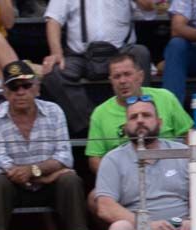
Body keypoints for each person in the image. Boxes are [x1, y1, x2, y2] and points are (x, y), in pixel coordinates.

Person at [0, 60, 86, 230]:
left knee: (70, 181)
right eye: (14, 87)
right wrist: (38, 176)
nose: (21, 92)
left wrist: (33, 171)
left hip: (50, 184)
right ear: (5, 93)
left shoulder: (54, 111)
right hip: (14, 186)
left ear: (37, 88)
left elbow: (65, 156)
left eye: (26, 85)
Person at [94, 96, 196, 230]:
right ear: (125, 127)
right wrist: (146, 225)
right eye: (133, 117)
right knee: (119, 228)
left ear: (159, 122)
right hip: (137, 228)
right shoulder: (113, 159)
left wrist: (192, 222)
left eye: (146, 115)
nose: (140, 120)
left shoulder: (182, 152)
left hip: (184, 226)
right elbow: (105, 206)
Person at [41, 0, 156, 137]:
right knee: (55, 72)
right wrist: (56, 53)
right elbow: (53, 20)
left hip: (121, 53)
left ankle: (140, 114)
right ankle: (94, 125)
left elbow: (149, 9)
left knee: (140, 53)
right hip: (82, 55)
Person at [86, 51, 192, 173]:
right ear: (111, 81)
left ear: (140, 76)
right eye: (117, 76)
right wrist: (113, 179)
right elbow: (94, 158)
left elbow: (188, 134)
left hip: (169, 170)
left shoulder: (166, 98)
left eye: (127, 74)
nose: (122, 81)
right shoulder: (100, 113)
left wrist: (185, 168)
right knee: (95, 193)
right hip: (123, 174)